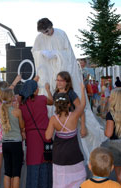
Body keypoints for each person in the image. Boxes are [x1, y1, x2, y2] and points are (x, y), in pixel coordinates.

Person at [32, 18, 106, 161]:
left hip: (61, 70)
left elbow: (70, 57)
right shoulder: (39, 38)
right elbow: (35, 53)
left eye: (47, 31)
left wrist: (56, 55)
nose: (45, 34)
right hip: (49, 74)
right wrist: (42, 54)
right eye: (43, 32)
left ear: (51, 26)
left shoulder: (61, 34)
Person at [45, 83, 87, 188]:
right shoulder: (74, 115)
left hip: (59, 156)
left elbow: (47, 136)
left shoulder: (53, 119)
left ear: (56, 105)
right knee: (79, 177)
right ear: (69, 104)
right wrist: (82, 90)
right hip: (74, 154)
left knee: (60, 181)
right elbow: (83, 105)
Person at [19, 80, 53, 188]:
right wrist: (48, 89)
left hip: (31, 136)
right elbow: (52, 101)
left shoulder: (22, 104)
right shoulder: (42, 99)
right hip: (44, 135)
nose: (38, 90)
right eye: (37, 88)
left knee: (33, 164)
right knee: (45, 163)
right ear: (35, 91)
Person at [0, 88, 24, 188]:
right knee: (16, 174)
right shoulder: (17, 111)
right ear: (12, 98)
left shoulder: (1, 111)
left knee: (7, 172)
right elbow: (22, 125)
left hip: (5, 143)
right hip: (16, 144)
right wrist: (17, 107)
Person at [53, 71, 87, 138]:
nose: (58, 82)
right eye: (57, 80)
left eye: (61, 80)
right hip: (60, 126)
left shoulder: (71, 93)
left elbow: (81, 110)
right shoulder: (55, 94)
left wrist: (83, 127)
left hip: (70, 125)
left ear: (67, 82)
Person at [103, 88, 121, 184]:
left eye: (110, 96)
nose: (109, 98)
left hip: (115, 145)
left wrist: (104, 132)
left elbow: (108, 133)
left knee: (119, 174)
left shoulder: (110, 114)